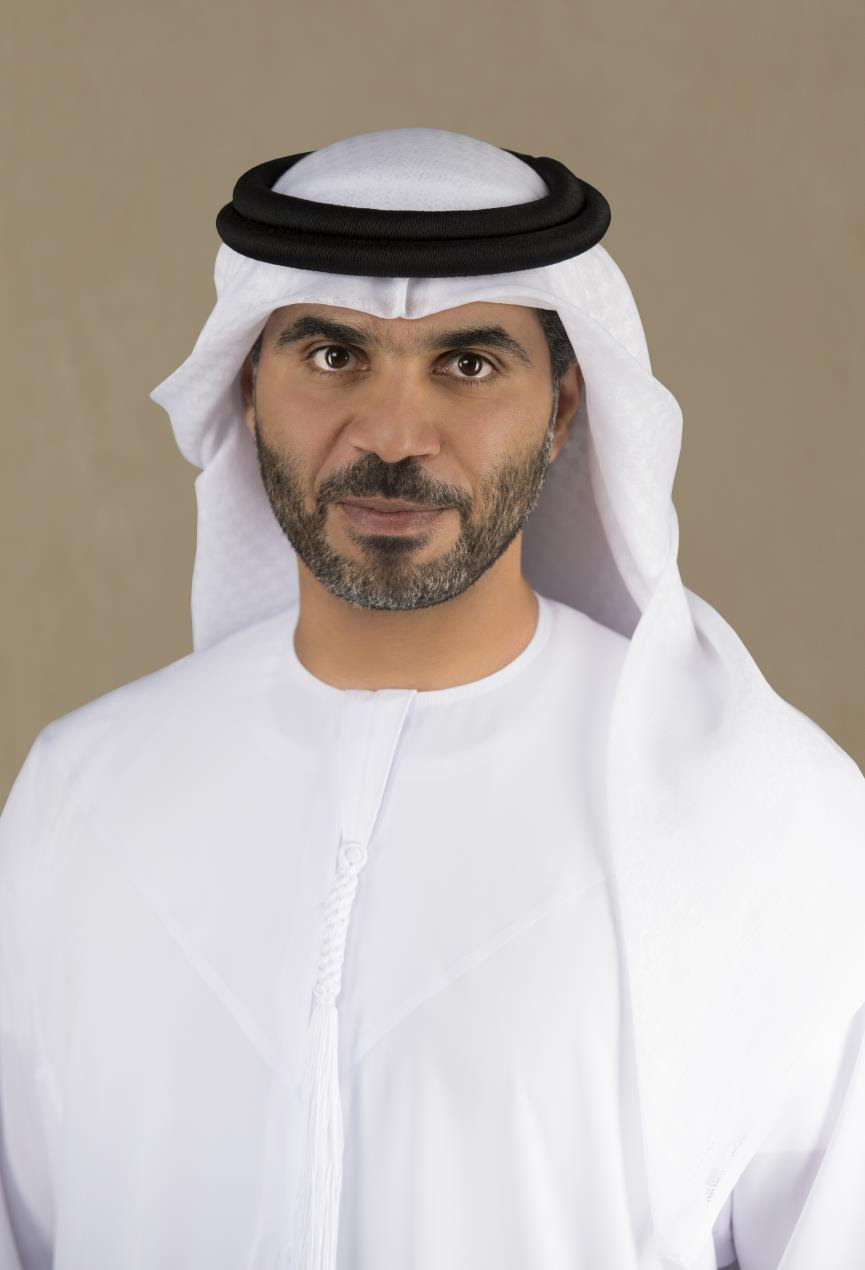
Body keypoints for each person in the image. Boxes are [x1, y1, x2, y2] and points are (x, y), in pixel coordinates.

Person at [1, 127, 864, 1270]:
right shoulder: (81, 801)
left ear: (563, 408)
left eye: (468, 364)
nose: (395, 437)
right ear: (248, 390)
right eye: (332, 355)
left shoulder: (763, 819)